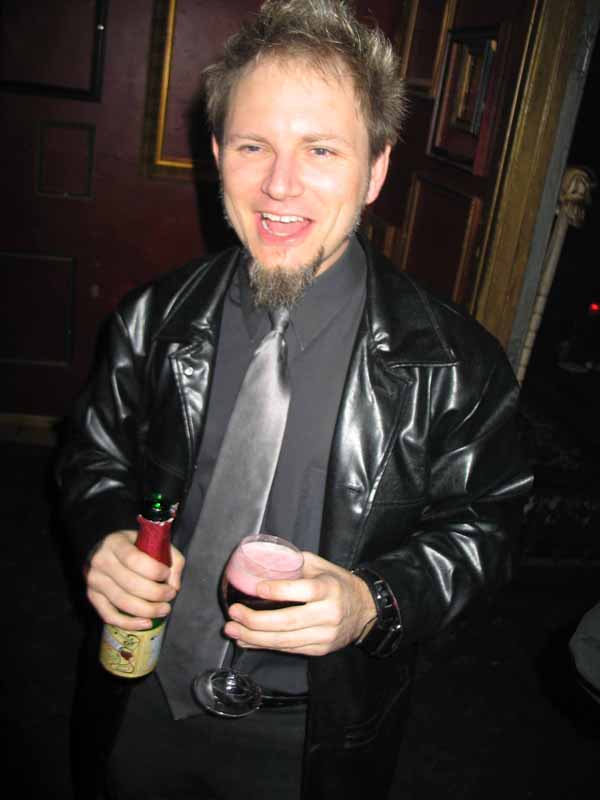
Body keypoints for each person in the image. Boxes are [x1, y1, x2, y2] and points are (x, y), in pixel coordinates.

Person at [57, 1, 533, 798]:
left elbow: (488, 526)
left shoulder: (457, 365)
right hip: (138, 688)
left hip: (314, 735)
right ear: (217, 156)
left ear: (375, 170)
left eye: (320, 149)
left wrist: (374, 600)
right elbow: (92, 457)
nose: (280, 184)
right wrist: (103, 534)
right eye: (253, 146)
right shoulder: (151, 321)